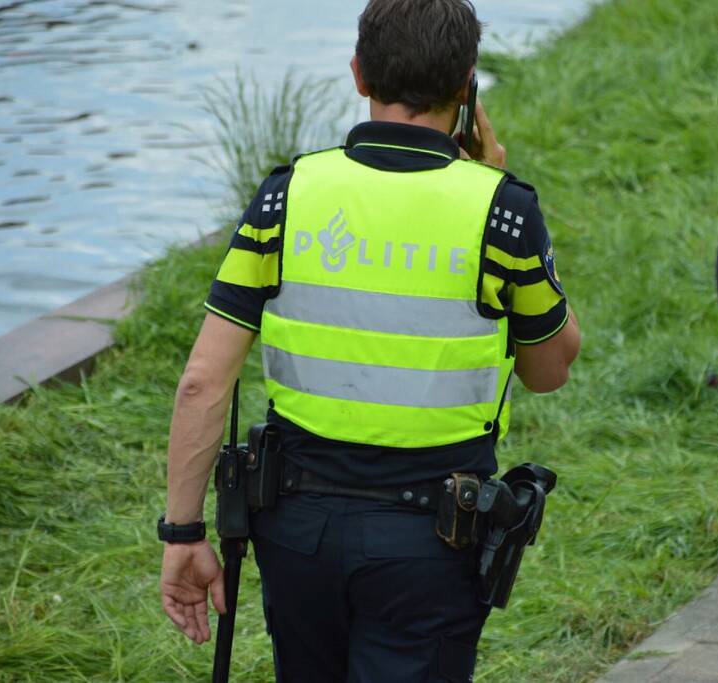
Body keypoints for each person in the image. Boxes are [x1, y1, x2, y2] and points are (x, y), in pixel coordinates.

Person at [158, 0, 580, 680]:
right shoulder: (502, 211)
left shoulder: (285, 197)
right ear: (466, 86)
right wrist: (497, 189)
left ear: (358, 73)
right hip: (433, 541)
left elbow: (202, 383)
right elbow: (550, 368)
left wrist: (182, 532)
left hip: (296, 531)